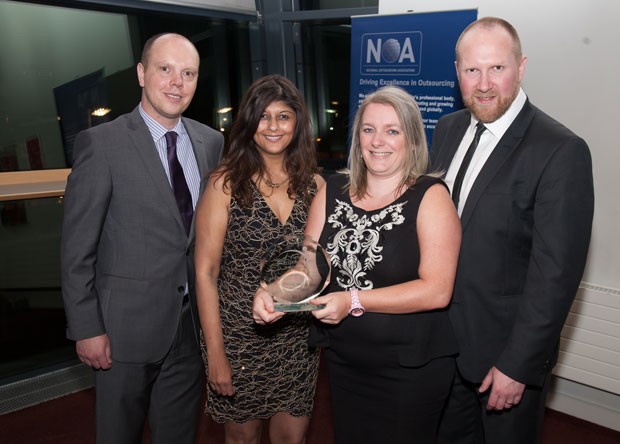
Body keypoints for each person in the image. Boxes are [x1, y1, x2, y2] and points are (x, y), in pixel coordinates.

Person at [254, 85, 462, 443]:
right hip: (346, 361)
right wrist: (272, 295)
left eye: (392, 130)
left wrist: (352, 300)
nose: (378, 141)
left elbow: (437, 290)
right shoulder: (332, 189)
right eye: (368, 129)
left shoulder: (431, 196)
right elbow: (310, 269)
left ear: (411, 140)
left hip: (410, 369)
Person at [430, 17, 595, 444]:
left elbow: (555, 275)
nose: (484, 84)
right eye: (472, 70)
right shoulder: (448, 130)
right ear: (457, 72)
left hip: (503, 361)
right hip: (443, 350)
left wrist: (517, 365)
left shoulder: (560, 150)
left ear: (521, 68)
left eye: (497, 69)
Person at [61, 33, 224, 443]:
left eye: (188, 73)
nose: (176, 83)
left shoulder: (210, 142)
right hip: (121, 334)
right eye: (165, 69)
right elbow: (77, 249)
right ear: (141, 73)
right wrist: (86, 327)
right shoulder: (102, 144)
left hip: (188, 329)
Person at [195, 74, 325, 444]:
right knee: (242, 439)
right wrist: (216, 355)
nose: (273, 126)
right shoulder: (225, 183)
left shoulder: (315, 187)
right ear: (249, 122)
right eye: (263, 116)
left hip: (296, 338)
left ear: (297, 123)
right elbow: (205, 273)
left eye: (283, 116)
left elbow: (316, 265)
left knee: (292, 439)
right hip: (238, 337)